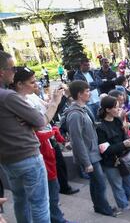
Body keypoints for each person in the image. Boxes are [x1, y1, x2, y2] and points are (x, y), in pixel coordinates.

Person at [0, 51, 63, 223]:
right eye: (12, 68)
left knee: (20, 200)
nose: (15, 71)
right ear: (2, 71)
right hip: (27, 157)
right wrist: (56, 102)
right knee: (40, 204)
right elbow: (40, 121)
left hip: (7, 160)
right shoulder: (8, 97)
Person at [11, 67, 74, 223]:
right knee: (40, 199)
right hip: (34, 151)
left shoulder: (30, 96)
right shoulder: (16, 101)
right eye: (32, 82)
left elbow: (47, 111)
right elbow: (40, 123)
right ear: (19, 84)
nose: (36, 84)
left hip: (40, 148)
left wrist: (56, 99)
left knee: (41, 193)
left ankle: (57, 218)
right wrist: (51, 131)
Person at [65, 80, 119, 217]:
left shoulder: (84, 108)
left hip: (93, 152)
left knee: (96, 183)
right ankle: (104, 208)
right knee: (100, 183)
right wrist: (86, 162)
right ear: (79, 94)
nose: (90, 93)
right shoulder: (75, 114)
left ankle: (99, 206)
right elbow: (77, 140)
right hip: (89, 156)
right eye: (87, 91)